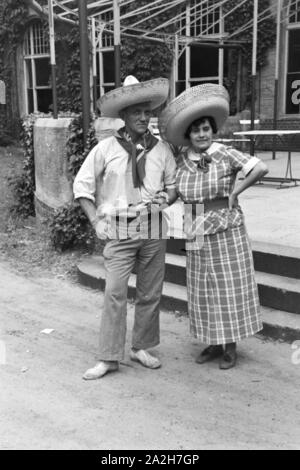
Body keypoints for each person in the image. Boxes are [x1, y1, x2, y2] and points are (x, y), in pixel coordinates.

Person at [73, 76, 177, 380]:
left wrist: (166, 199)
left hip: (155, 227)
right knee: (114, 292)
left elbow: (172, 188)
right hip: (118, 228)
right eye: (136, 113)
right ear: (124, 117)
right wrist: (95, 220)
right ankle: (108, 357)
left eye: (147, 111)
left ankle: (141, 346)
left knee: (150, 292)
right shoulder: (106, 149)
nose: (144, 118)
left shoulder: (162, 150)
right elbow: (82, 186)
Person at [158, 83, 268, 369]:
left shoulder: (225, 153)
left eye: (206, 128)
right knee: (202, 288)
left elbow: (259, 168)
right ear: (189, 135)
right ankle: (213, 341)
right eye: (196, 131)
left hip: (226, 227)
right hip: (194, 226)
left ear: (212, 130)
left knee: (228, 286)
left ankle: (230, 345)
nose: (202, 134)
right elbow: (174, 193)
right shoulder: (180, 161)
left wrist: (235, 192)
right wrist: (159, 201)